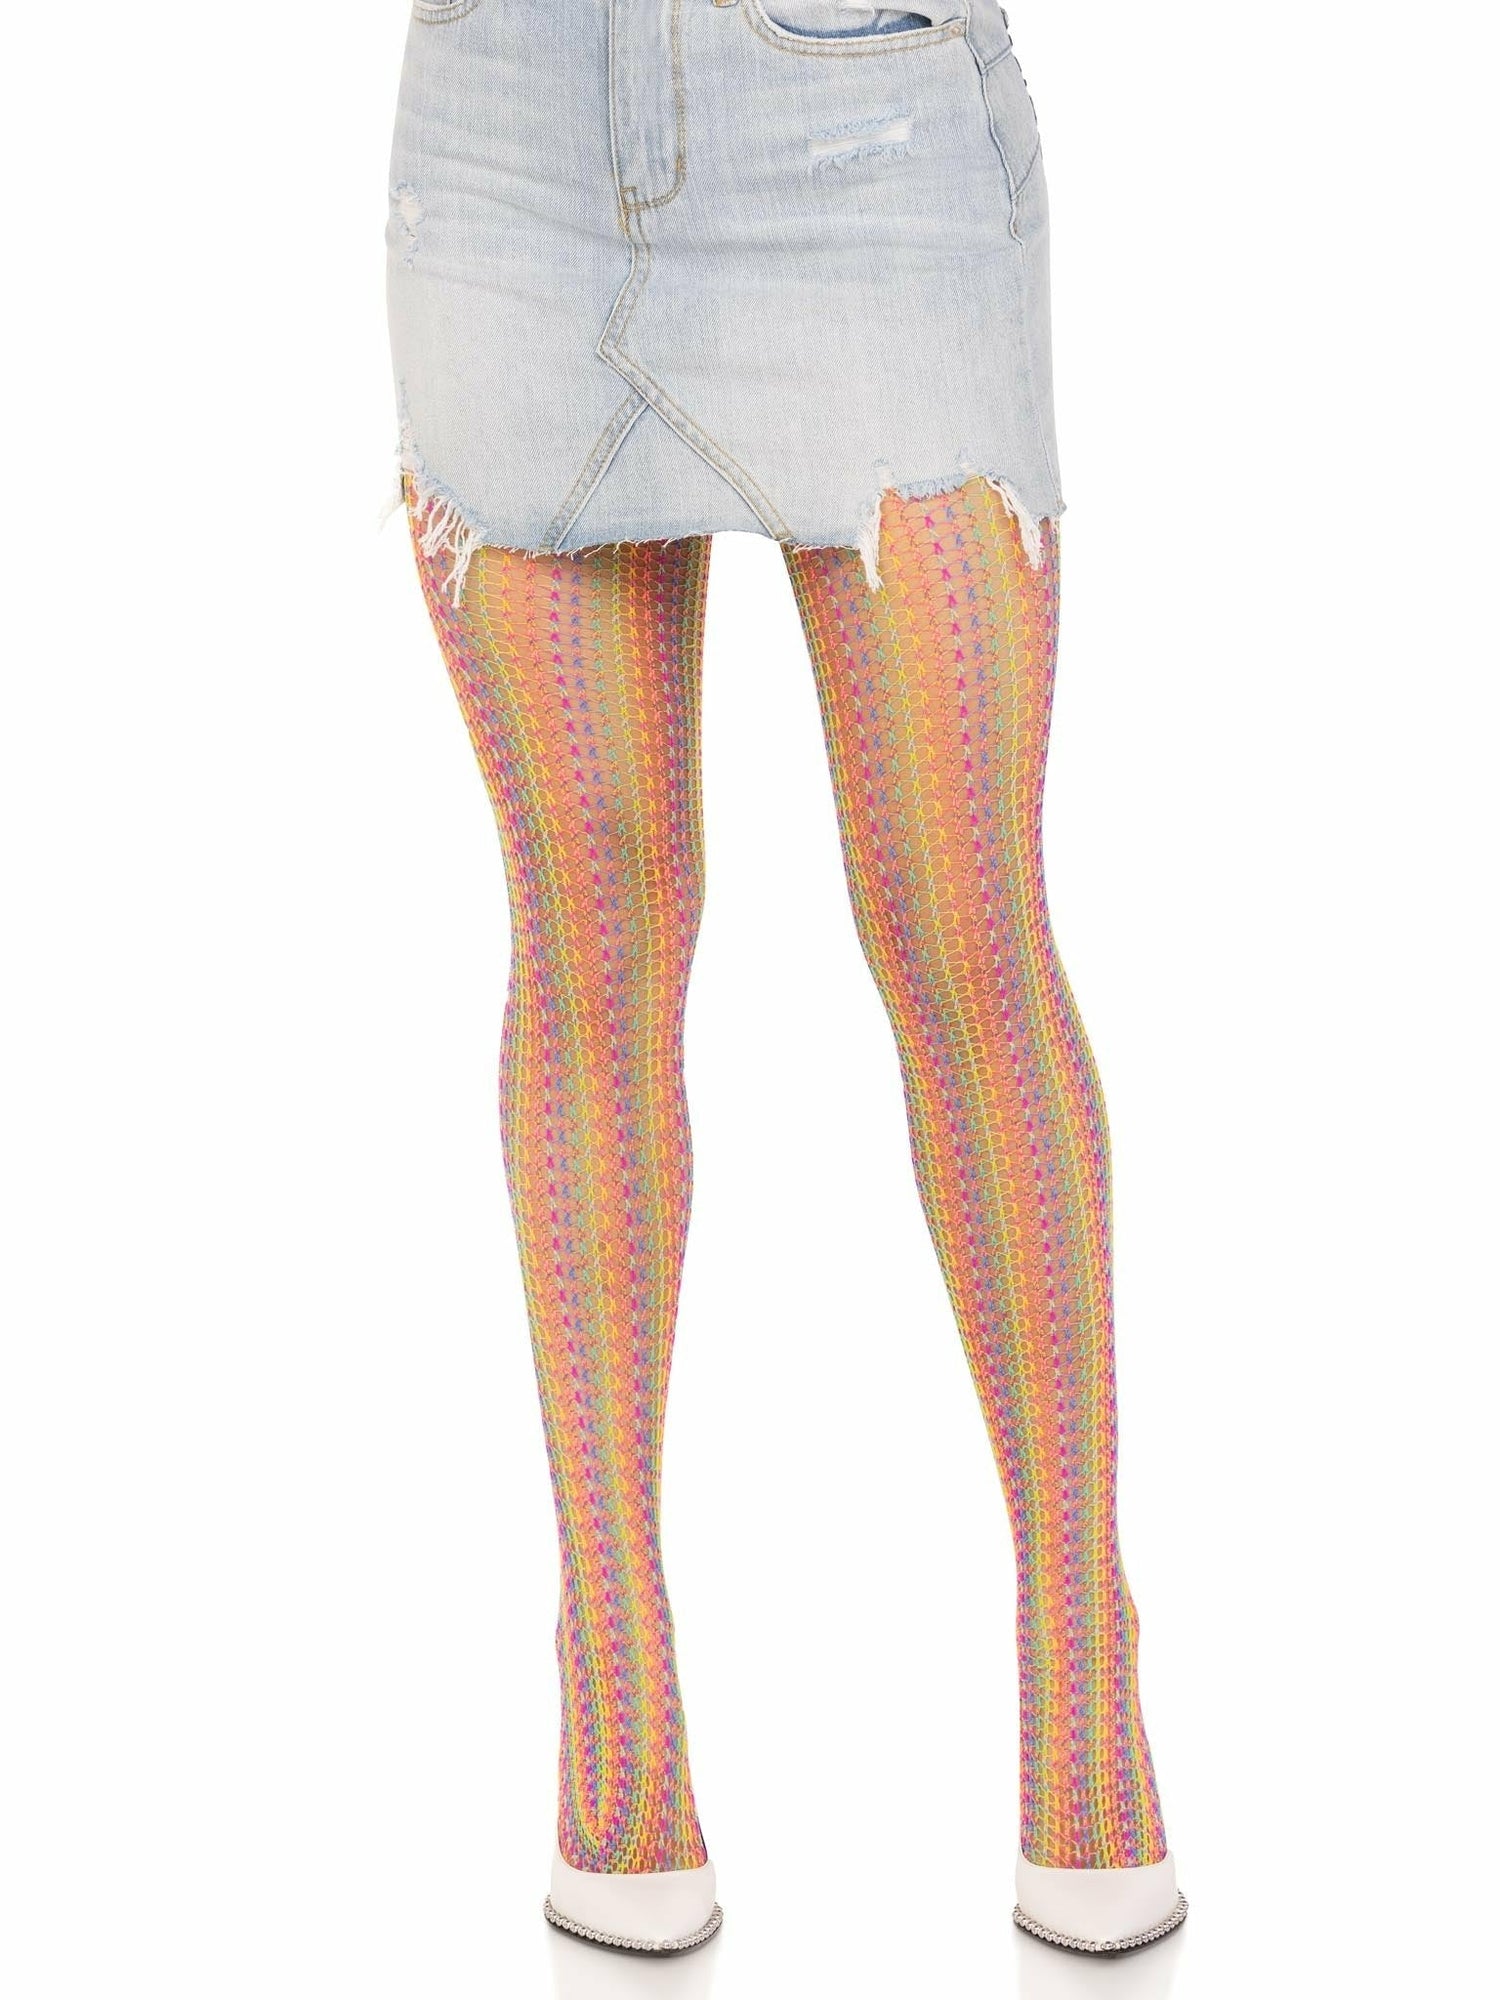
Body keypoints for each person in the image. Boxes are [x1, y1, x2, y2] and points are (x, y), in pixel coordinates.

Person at [383, 0, 1187, 1957]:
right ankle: (614, 1676)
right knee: (589, 925)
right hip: (505, 126)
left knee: (960, 925)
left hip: (868, 117)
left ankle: (1083, 1656)